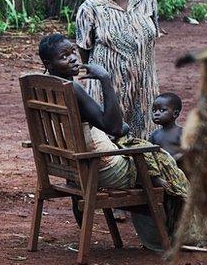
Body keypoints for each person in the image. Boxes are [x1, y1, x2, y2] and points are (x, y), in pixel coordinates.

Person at [37, 33, 187, 251]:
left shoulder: (42, 86)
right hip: (105, 168)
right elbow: (115, 126)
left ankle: (159, 224)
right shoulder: (73, 90)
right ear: (49, 63)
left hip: (71, 168)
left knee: (147, 158)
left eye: (73, 52)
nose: (73, 58)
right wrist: (105, 79)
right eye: (64, 56)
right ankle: (168, 235)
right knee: (166, 164)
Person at [75, 0, 160, 139]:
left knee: (143, 136)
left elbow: (153, 34)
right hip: (108, 86)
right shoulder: (90, 7)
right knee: (111, 136)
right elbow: (84, 48)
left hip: (143, 84)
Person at [149, 92, 184, 160]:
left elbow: (189, 151)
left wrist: (176, 158)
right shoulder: (154, 135)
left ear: (175, 114)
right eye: (154, 110)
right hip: (160, 168)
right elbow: (149, 153)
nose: (156, 114)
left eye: (162, 110)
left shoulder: (181, 133)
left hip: (178, 169)